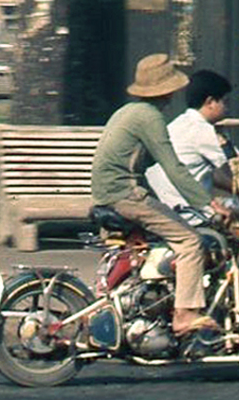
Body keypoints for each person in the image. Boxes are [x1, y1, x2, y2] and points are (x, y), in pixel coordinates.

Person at [91, 54, 219, 337]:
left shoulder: (128, 112)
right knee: (190, 241)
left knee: (157, 239)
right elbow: (173, 165)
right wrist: (208, 203)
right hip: (124, 194)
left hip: (109, 192)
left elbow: (146, 163)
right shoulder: (150, 117)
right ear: (168, 90)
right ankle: (185, 314)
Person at [145, 69, 239, 211]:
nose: (227, 108)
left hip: (163, 204)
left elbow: (212, 175)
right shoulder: (202, 130)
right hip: (187, 212)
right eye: (225, 102)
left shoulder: (180, 124)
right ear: (210, 102)